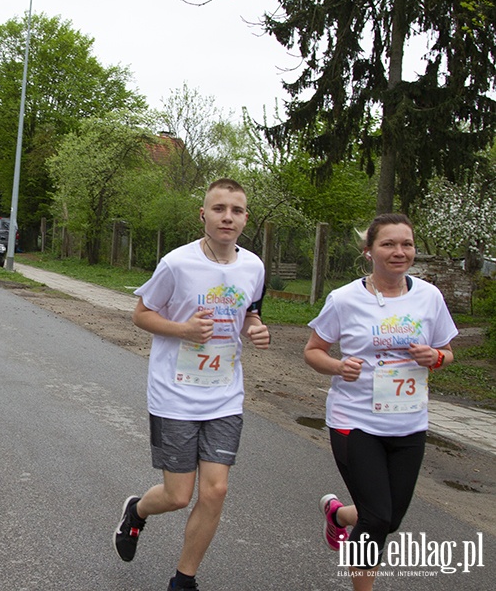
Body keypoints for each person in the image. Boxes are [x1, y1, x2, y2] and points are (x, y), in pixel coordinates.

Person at [113, 178, 269, 591]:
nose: (227, 218)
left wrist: (255, 328)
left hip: (224, 395)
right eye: (219, 209)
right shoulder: (176, 264)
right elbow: (141, 314)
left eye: (236, 211)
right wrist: (182, 330)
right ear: (204, 215)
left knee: (215, 490)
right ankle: (137, 513)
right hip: (174, 395)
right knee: (178, 495)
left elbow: (250, 313)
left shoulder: (253, 266)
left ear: (245, 218)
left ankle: (184, 579)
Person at [304, 213, 457, 590]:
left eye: (406, 244)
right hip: (354, 421)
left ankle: (339, 517)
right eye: (388, 244)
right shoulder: (344, 299)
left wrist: (435, 358)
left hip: (409, 422)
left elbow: (447, 350)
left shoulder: (429, 296)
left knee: (390, 520)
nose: (399, 252)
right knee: (375, 519)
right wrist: (339, 366)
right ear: (369, 251)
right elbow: (313, 351)